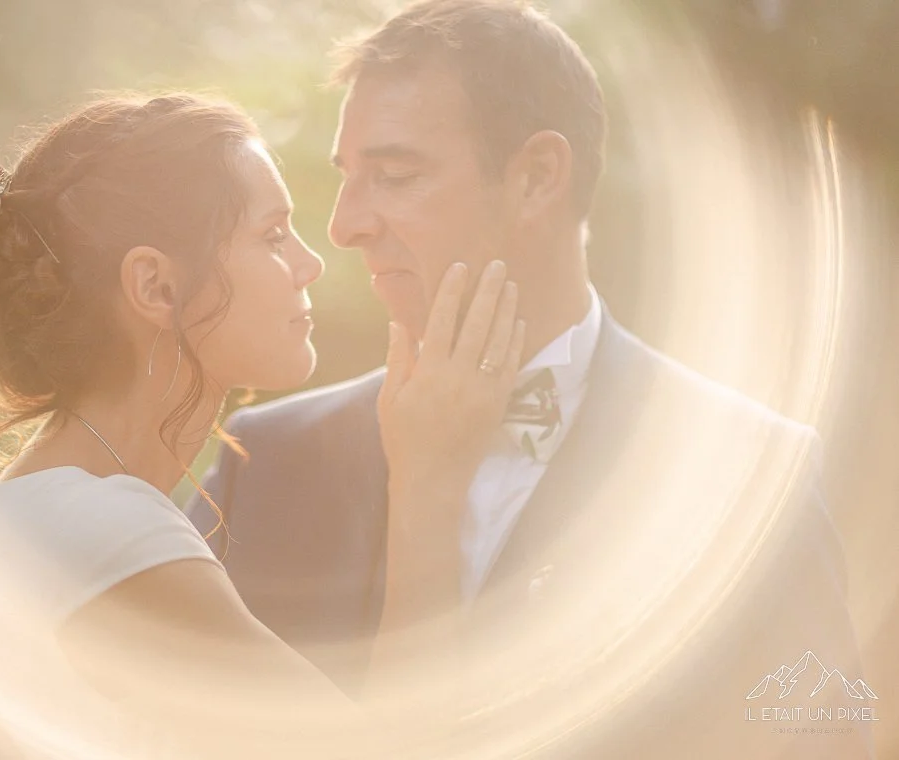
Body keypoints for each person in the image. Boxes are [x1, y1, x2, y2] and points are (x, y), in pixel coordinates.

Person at [187, 1, 875, 757]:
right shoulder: (268, 462)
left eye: (394, 175)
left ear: (537, 177)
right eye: (349, 179)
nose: (347, 224)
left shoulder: (748, 478)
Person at [0, 92, 526, 760]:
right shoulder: (95, 532)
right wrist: (429, 487)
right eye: (272, 237)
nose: (311, 265)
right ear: (155, 287)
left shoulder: (44, 516)